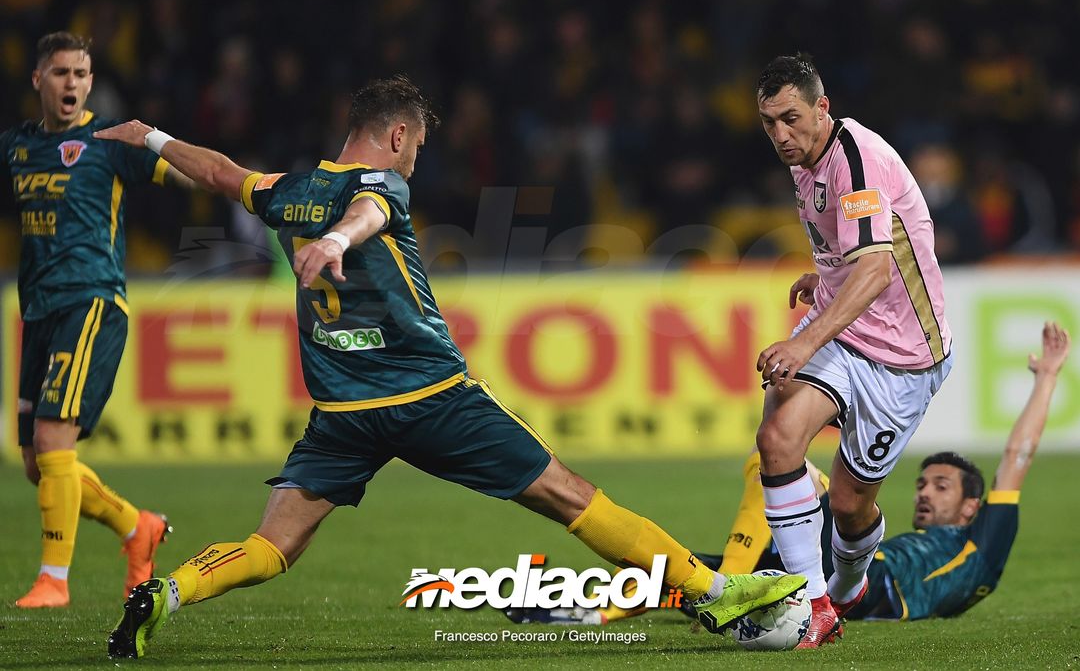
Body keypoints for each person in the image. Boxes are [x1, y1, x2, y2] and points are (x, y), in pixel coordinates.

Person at [94, 75, 806, 660]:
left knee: (271, 544)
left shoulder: (292, 191)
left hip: (343, 415)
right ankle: (716, 596)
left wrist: (149, 136)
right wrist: (340, 238)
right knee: (571, 495)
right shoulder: (382, 184)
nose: (415, 161)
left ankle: (169, 592)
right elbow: (372, 208)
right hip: (432, 398)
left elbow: (220, 173)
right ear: (399, 133)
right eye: (418, 146)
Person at [512, 321, 1070, 627]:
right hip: (838, 570)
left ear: (974, 508)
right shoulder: (933, 546)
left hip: (877, 590)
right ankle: (584, 609)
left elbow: (1017, 456)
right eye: (923, 483)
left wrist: (1047, 377)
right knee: (694, 572)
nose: (924, 494)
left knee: (786, 467)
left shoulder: (984, 546)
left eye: (941, 487)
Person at [752, 52, 953, 647]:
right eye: (769, 123)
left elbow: (876, 270)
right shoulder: (806, 155)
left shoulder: (857, 163)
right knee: (778, 436)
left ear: (823, 107)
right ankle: (810, 601)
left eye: (791, 118)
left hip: (904, 358)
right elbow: (856, 257)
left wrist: (804, 337)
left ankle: (846, 586)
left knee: (848, 503)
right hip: (847, 331)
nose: (781, 135)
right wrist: (826, 279)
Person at [0, 32, 190, 608]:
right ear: (38, 79)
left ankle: (54, 579)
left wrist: (210, 175)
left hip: (92, 303)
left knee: (55, 440)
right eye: (61, 73)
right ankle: (139, 527)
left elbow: (181, 175)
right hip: (37, 310)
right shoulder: (15, 148)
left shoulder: (108, 142)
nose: (73, 84)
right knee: (39, 465)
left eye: (81, 73)